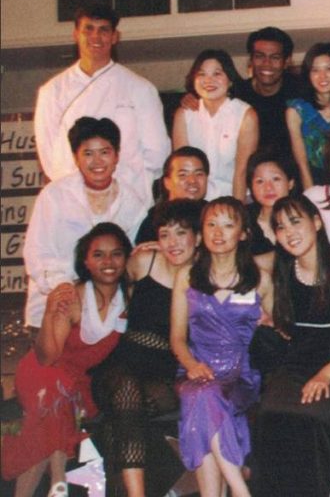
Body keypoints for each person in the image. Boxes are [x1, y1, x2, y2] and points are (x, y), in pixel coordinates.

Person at [2, 223, 131, 497]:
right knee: (56, 396)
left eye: (116, 254)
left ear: (126, 258)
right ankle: (59, 480)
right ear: (86, 261)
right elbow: (47, 357)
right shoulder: (72, 298)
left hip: (77, 382)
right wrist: (50, 314)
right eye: (98, 255)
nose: (108, 262)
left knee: (49, 421)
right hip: (42, 371)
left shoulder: (130, 298)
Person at [253, 196, 330, 497]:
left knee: (317, 417)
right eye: (280, 227)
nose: (289, 232)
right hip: (298, 361)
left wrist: (328, 373)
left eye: (295, 221)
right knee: (270, 413)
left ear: (316, 222)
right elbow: (235, 261)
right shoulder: (283, 268)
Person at [93, 200, 203, 497]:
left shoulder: (206, 274)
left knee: (126, 413)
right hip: (123, 361)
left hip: (169, 369)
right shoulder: (145, 261)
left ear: (198, 237)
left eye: (181, 233)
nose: (173, 242)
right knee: (126, 391)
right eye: (165, 234)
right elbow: (101, 280)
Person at [170, 197, 274, 497]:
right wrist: (191, 365)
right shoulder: (187, 276)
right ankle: (241, 490)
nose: (218, 232)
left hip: (240, 375)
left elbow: (277, 331)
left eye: (228, 225)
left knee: (204, 400)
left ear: (243, 233)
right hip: (196, 369)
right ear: (201, 231)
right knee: (202, 394)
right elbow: (177, 338)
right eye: (211, 224)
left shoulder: (261, 279)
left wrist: (268, 322)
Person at [33, 4, 170, 204]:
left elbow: (157, 153)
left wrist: (127, 182)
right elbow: (50, 158)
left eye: (103, 30)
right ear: (75, 35)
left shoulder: (140, 88)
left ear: (115, 37)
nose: (96, 37)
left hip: (128, 199)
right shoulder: (52, 91)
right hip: (73, 199)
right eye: (88, 29)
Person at [23, 117, 146, 328]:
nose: (97, 161)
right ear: (76, 157)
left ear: (117, 156)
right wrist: (66, 287)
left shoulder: (132, 202)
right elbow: (37, 252)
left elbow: (130, 258)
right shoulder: (54, 195)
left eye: (104, 152)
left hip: (107, 312)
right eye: (88, 153)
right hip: (55, 303)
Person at [172, 49, 259, 200]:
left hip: (233, 197)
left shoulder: (245, 114)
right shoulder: (184, 114)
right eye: (202, 74)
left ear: (230, 80)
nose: (208, 80)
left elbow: (242, 171)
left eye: (217, 74)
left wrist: (236, 209)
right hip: (194, 199)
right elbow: (181, 170)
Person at [285, 42, 330, 190]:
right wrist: (311, 195)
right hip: (311, 181)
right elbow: (302, 163)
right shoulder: (296, 111)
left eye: (329, 68)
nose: (322, 76)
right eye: (315, 70)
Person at [230, 26, 303, 159]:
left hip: (293, 169)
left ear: (286, 62)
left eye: (275, 58)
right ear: (251, 60)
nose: (266, 64)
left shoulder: (301, 91)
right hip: (249, 169)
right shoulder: (237, 94)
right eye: (259, 56)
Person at [135, 146, 210, 244]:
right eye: (183, 175)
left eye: (199, 174)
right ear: (167, 182)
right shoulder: (154, 221)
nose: (192, 180)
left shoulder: (212, 215)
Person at [244, 150, 299, 256]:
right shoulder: (243, 219)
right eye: (260, 181)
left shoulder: (303, 218)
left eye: (276, 179)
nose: (268, 188)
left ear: (290, 183)